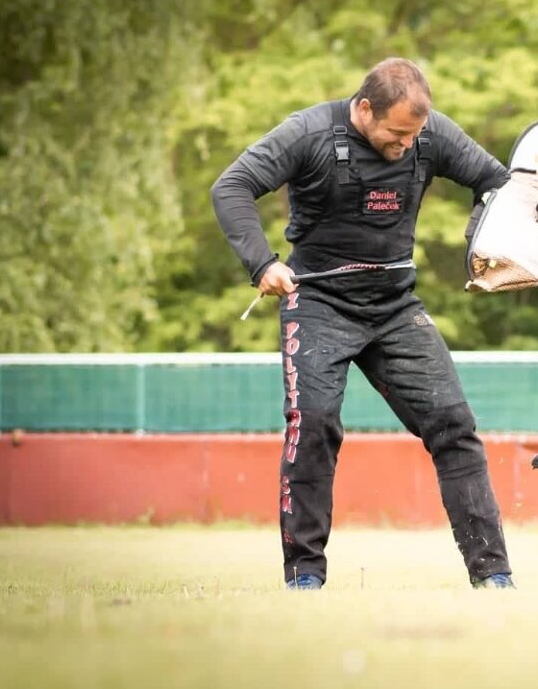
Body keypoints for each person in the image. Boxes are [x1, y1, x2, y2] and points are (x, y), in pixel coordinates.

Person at [211, 58, 514, 590]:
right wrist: (263, 263)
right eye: (397, 133)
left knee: (455, 427)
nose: (407, 145)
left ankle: (494, 577)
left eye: (416, 134)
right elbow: (231, 186)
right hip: (318, 303)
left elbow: (497, 185)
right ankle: (304, 575)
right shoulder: (306, 134)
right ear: (365, 108)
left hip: (396, 307)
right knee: (315, 426)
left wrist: (484, 249)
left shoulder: (430, 133)